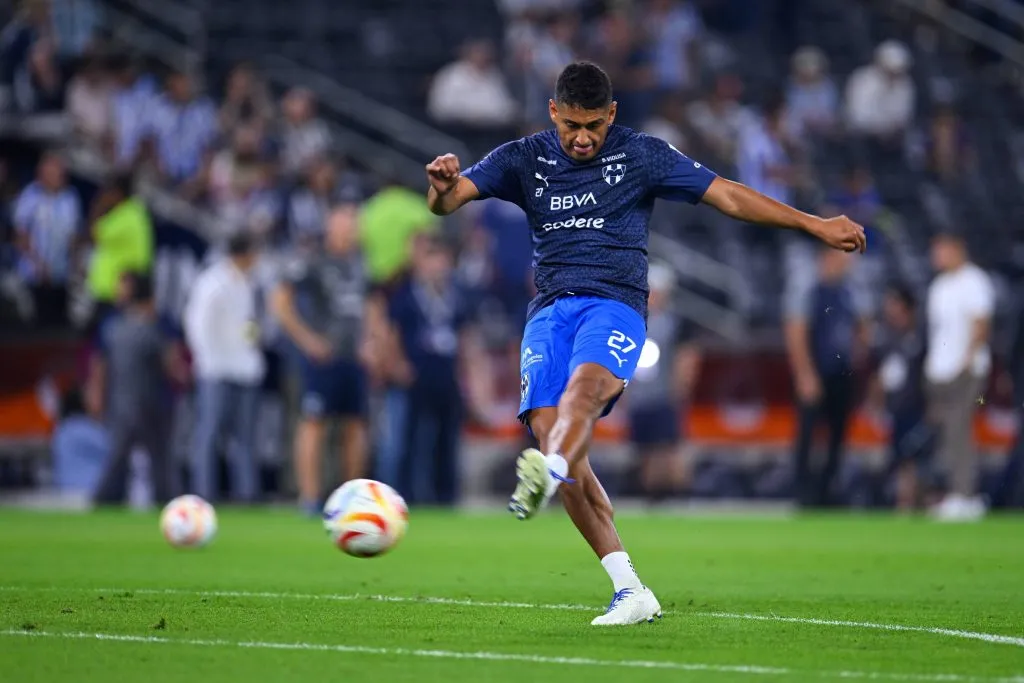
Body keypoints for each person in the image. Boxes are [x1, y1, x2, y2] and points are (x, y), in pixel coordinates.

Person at [424, 61, 865, 625]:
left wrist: (814, 224)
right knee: (547, 425)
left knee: (581, 397)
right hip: (549, 312)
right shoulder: (524, 157)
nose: (583, 138)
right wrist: (439, 189)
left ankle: (551, 466)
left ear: (612, 115)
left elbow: (726, 195)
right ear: (553, 112)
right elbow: (452, 198)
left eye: (594, 126)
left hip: (614, 306)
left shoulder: (641, 155)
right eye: (572, 126)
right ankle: (629, 588)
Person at [271, 205, 378, 516]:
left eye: (354, 225)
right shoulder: (314, 260)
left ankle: (353, 496)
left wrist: (371, 342)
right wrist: (307, 340)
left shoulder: (360, 262)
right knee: (314, 422)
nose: (352, 231)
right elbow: (280, 300)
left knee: (356, 425)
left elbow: (371, 304)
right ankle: (309, 497)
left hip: (353, 357)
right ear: (331, 226)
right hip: (322, 358)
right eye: (346, 225)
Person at [784, 247, 870, 508]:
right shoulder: (809, 288)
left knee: (837, 435)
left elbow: (863, 326)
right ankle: (803, 493)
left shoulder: (850, 290)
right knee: (808, 435)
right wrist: (805, 374)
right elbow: (796, 332)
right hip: (817, 369)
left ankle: (828, 492)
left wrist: (858, 355)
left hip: (841, 372)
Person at [92, 274, 187, 506]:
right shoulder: (154, 327)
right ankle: (164, 501)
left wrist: (96, 393)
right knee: (160, 459)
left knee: (117, 457)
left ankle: (106, 500)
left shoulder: (113, 326)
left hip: (121, 402)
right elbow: (173, 366)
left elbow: (100, 366)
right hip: (153, 402)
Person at [183, 233, 264, 503]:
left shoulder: (249, 281)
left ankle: (246, 495)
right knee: (209, 433)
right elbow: (197, 324)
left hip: (245, 367)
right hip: (215, 369)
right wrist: (206, 361)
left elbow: (248, 324)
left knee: (245, 437)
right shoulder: (212, 281)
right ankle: (204, 494)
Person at [925, 231, 994, 522]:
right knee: (947, 434)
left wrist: (965, 360)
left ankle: (965, 496)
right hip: (939, 372)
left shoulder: (974, 280)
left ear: (957, 249)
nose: (936, 256)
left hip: (969, 372)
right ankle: (956, 493)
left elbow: (981, 324)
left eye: (941, 250)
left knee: (960, 429)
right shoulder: (939, 285)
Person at [622, 263, 700, 502]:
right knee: (645, 452)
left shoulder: (676, 323)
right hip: (640, 397)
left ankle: (680, 495)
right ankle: (653, 497)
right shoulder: (632, 321)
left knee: (668, 450)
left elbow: (687, 358)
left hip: (664, 396)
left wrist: (681, 388)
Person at [874, 284, 930, 511]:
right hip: (895, 408)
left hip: (917, 406)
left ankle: (913, 502)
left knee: (915, 457)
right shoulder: (888, 336)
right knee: (899, 457)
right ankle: (904, 502)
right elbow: (880, 375)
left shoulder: (921, 336)